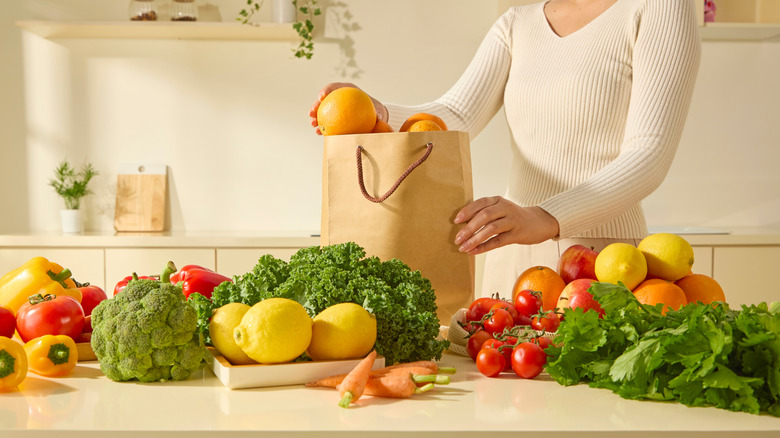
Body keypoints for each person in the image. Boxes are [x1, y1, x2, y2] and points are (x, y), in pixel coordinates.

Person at [309, 0, 701, 298]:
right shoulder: (518, 23)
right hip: (511, 254)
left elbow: (648, 154)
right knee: (502, 404)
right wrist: (377, 112)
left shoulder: (659, 7)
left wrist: (545, 217)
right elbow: (455, 115)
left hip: (609, 263)